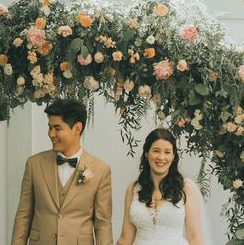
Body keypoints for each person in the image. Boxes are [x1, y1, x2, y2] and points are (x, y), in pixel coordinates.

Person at [11, 98, 113, 245]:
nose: (51, 134)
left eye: (57, 128)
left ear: (77, 128)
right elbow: (23, 215)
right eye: (49, 127)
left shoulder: (100, 170)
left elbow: (103, 224)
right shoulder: (34, 164)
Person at [116, 128, 203, 245]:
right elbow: (125, 239)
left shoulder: (186, 188)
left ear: (173, 156)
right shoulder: (133, 189)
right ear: (147, 154)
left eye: (167, 152)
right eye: (156, 151)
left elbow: (194, 238)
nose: (161, 157)